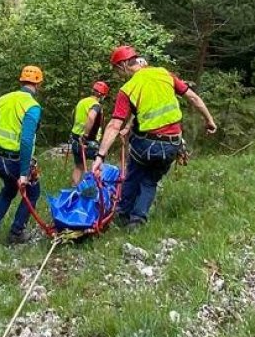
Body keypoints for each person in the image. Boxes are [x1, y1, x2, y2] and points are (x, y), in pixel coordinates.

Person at [91, 46, 217, 228]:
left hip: (146, 144)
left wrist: (100, 156)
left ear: (124, 65)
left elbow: (114, 125)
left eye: (118, 70)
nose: (119, 74)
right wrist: (209, 120)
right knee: (150, 181)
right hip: (173, 143)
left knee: (134, 173)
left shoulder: (128, 89)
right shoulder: (164, 74)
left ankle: (122, 214)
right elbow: (193, 98)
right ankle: (137, 221)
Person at [0, 65, 44, 245]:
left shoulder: (3, 99)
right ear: (38, 84)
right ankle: (16, 233)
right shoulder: (32, 106)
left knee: (8, 190)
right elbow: (26, 140)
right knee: (33, 192)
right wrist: (24, 173)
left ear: (21, 81)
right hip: (17, 161)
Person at [69, 81, 110, 185]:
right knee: (98, 164)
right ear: (102, 95)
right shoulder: (96, 105)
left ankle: (73, 189)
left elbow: (73, 115)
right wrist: (86, 135)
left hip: (75, 139)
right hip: (89, 141)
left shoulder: (81, 102)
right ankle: (95, 188)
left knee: (79, 166)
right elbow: (91, 117)